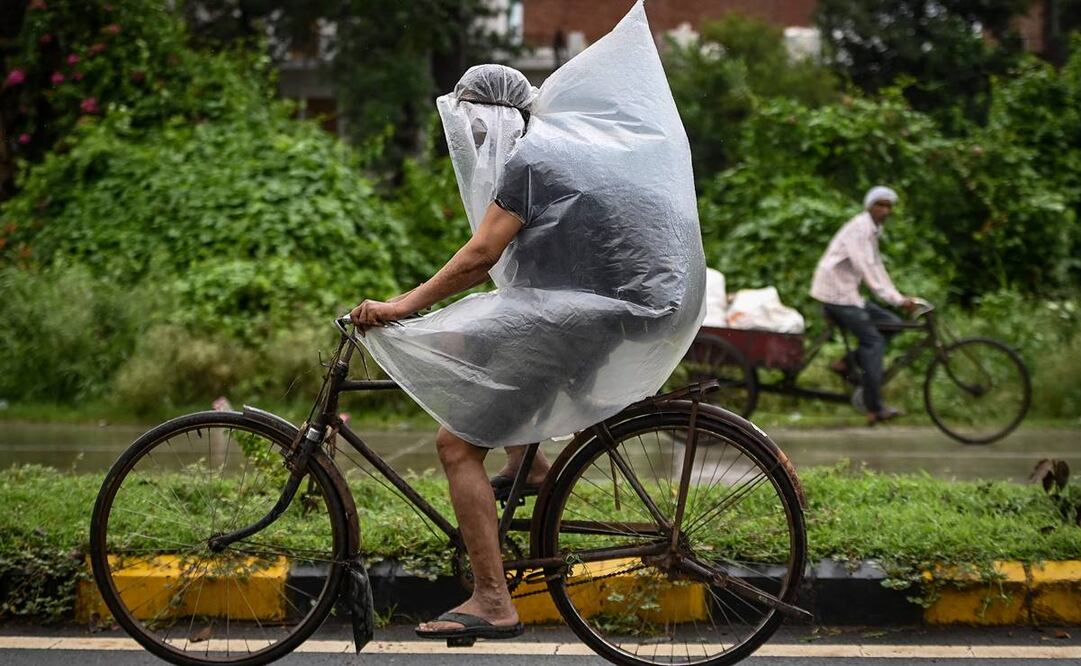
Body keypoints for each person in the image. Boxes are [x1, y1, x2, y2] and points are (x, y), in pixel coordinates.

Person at [350, 2, 705, 643]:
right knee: (495, 336)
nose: (475, 141)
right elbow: (529, 277)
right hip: (629, 307)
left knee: (455, 445)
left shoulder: (531, 162)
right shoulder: (567, 152)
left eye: (474, 126)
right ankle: (532, 466)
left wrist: (402, 307)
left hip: (601, 313)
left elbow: (481, 257)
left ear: (488, 118)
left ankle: (492, 599)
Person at [810, 186, 920, 424]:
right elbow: (866, 270)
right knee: (874, 342)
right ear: (869, 206)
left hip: (849, 294)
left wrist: (898, 297)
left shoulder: (873, 230)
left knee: (893, 324)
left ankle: (847, 363)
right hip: (835, 295)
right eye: (880, 205)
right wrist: (896, 299)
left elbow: (877, 266)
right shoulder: (859, 229)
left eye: (888, 206)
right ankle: (874, 407)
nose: (884, 210)